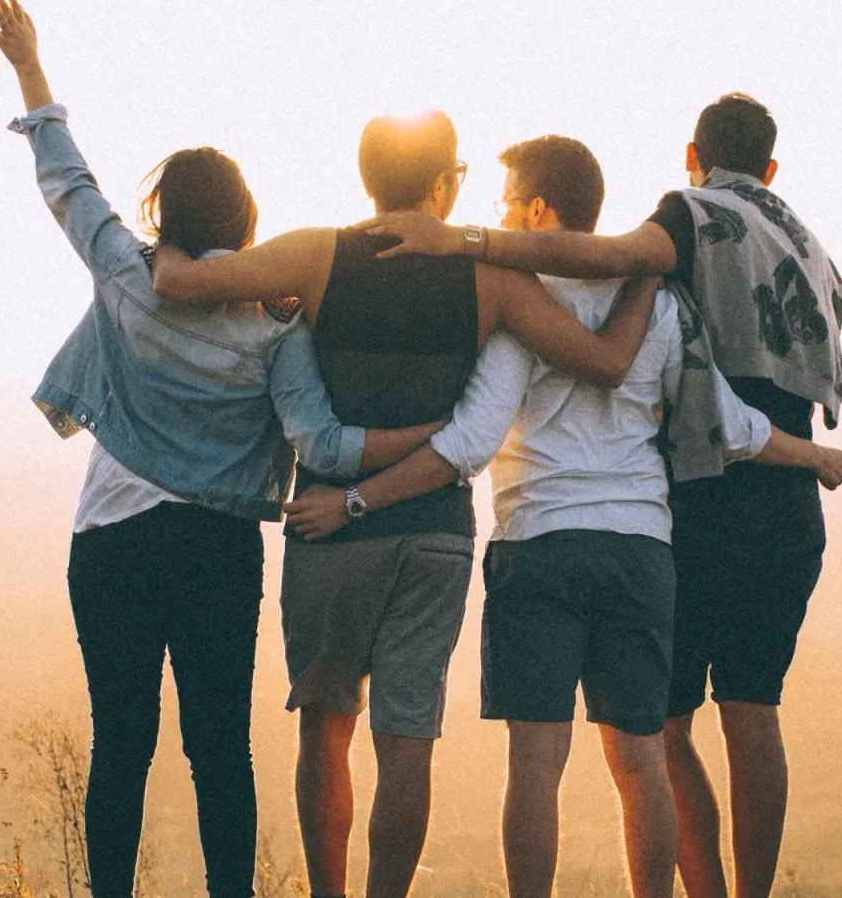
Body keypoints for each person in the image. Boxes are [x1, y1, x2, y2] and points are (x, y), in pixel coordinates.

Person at [284, 135, 842, 898]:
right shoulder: (656, 303)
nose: (502, 214)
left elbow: (470, 442)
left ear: (540, 210)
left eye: (509, 201)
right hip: (642, 551)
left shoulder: (522, 302)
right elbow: (730, 422)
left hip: (540, 546)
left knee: (536, 763)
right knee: (641, 757)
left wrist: (357, 498)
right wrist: (812, 456)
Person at [0, 0, 444, 898]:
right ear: (244, 221)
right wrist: (439, 432)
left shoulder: (126, 273)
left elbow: (68, 184)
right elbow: (327, 443)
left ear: (165, 216)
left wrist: (31, 66)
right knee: (218, 753)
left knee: (120, 744)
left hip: (110, 540)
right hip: (217, 553)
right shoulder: (275, 330)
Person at [149, 116, 660, 898]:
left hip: (328, 528)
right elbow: (605, 363)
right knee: (407, 741)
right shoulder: (491, 282)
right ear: (445, 183)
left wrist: (168, 240)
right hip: (435, 535)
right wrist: (650, 273)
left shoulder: (317, 253)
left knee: (325, 733)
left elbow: (179, 285)